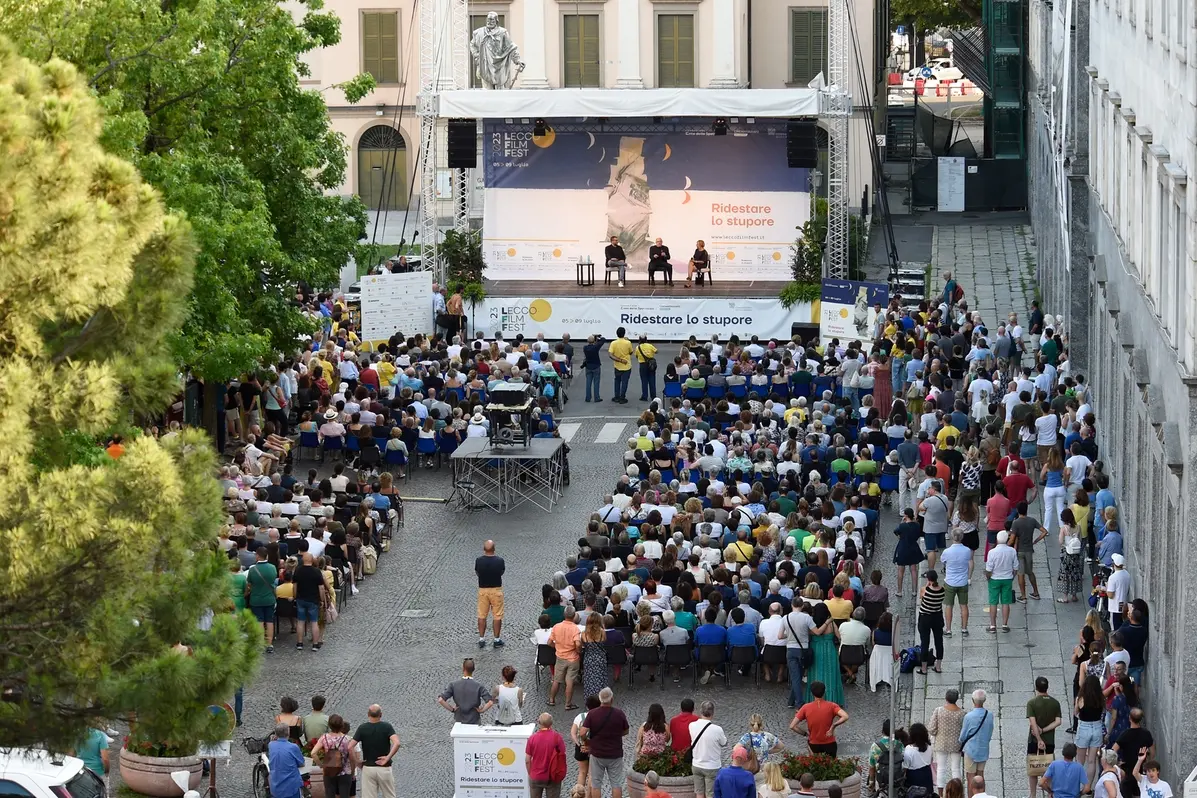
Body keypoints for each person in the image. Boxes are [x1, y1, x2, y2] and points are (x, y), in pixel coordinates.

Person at [580, 687, 630, 798]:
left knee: (596, 784)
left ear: (600, 699)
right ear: (612, 699)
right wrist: (616, 735)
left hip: (597, 753)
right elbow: (626, 730)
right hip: (615, 754)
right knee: (616, 784)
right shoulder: (619, 713)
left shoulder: (592, 714)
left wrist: (586, 741)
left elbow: (582, 732)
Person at [1027, 676, 1064, 798]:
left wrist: (1038, 739)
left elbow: (1032, 723)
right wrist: (1044, 730)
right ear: (1047, 687)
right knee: (1048, 769)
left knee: (1033, 767)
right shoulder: (1055, 703)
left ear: (1036, 687)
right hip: (1050, 741)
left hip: (1033, 740)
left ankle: (1033, 794)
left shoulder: (1032, 703)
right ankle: (1050, 793)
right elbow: (1058, 722)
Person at [790, 680, 848, 756]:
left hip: (814, 744)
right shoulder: (832, 706)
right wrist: (833, 726)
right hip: (830, 743)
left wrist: (805, 734)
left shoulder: (805, 707)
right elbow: (845, 716)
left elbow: (792, 726)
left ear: (812, 693)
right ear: (824, 692)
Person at [354, 705, 400, 798]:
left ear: (368, 714)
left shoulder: (362, 728)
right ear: (381, 715)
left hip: (368, 768)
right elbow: (397, 743)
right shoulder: (387, 727)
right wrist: (388, 757)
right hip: (384, 767)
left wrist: (356, 761)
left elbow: (350, 746)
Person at [311, 715, 361, 798]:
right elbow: (352, 758)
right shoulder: (348, 739)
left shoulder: (324, 738)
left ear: (329, 725)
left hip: (329, 771)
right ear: (341, 725)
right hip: (345, 772)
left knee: (329, 795)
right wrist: (352, 772)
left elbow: (313, 753)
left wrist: (321, 765)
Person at [928, 690, 965, 795]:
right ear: (957, 699)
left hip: (941, 743)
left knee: (941, 769)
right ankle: (958, 793)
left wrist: (936, 733)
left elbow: (931, 728)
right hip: (956, 744)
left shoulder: (939, 710)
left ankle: (940, 794)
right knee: (956, 768)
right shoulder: (962, 713)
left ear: (946, 698)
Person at [437, 658, 495, 724]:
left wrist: (452, 709)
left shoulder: (453, 685)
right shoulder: (479, 686)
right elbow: (490, 702)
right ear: (473, 669)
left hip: (459, 720)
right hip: (474, 720)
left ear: (463, 668)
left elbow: (441, 700)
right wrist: (481, 710)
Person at [1010, 502, 1048, 601]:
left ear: (1018, 511)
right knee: (1030, 572)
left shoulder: (1016, 523)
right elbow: (1044, 531)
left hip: (1020, 551)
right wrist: (1036, 540)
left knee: (1020, 573)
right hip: (1029, 550)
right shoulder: (1032, 520)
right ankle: (1036, 592)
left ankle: (1023, 596)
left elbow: (1012, 538)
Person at [690, 701, 728, 798]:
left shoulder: (691, 725)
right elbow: (724, 743)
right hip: (712, 766)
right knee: (711, 794)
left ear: (700, 711)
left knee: (699, 793)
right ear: (712, 713)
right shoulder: (717, 729)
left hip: (697, 765)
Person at [549, 605, 583, 709]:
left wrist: (557, 647)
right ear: (573, 616)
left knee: (557, 680)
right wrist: (579, 651)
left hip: (560, 657)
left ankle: (551, 700)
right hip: (572, 658)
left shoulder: (556, 627)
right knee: (570, 681)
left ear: (564, 615)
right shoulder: (575, 628)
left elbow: (549, 642)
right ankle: (568, 704)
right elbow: (577, 644)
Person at [291, 552, 327, 651]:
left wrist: (295, 597)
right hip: (313, 600)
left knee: (300, 621)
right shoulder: (316, 571)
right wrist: (322, 600)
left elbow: (294, 586)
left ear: (303, 560)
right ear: (312, 560)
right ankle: (315, 644)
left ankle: (299, 643)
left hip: (301, 599)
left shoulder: (298, 571)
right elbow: (321, 588)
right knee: (314, 622)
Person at [526, 713, 567, 798]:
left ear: (539, 722)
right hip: (552, 775)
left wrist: (531, 773)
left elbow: (527, 760)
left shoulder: (532, 738)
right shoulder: (557, 737)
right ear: (551, 723)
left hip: (536, 775)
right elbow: (562, 755)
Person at [984, 531, 1017, 633]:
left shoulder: (992, 552)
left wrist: (988, 578)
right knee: (1005, 602)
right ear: (1007, 539)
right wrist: (1012, 577)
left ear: (997, 540)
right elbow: (1015, 567)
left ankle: (993, 626)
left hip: (994, 579)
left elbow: (989, 569)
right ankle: (1004, 625)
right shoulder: (1012, 551)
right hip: (1007, 579)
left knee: (993, 603)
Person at [940, 531, 972, 636]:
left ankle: (948, 629)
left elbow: (943, 561)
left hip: (950, 582)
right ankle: (964, 629)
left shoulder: (947, 551)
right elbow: (969, 562)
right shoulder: (967, 551)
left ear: (952, 537)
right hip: (963, 582)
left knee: (949, 606)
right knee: (964, 606)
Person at [476, 540, 506, 648]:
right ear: (494, 549)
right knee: (497, 615)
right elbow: (502, 572)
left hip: (483, 590)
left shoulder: (479, 561)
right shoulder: (499, 561)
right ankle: (496, 639)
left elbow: (477, 572)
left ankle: (481, 639)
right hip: (496, 590)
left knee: (481, 615)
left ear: (484, 549)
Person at [959, 690, 994, 783]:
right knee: (981, 776)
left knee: (971, 778)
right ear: (985, 700)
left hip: (971, 750)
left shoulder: (969, 717)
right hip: (983, 749)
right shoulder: (989, 715)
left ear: (972, 700)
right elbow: (990, 732)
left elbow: (962, 737)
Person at [917, 570, 945, 674]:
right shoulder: (942, 590)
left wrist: (927, 584)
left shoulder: (925, 590)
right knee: (939, 641)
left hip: (925, 618)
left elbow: (921, 597)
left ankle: (924, 668)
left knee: (925, 642)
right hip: (937, 617)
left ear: (928, 579)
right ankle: (938, 666)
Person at [268, 722, 306, 798]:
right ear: (288, 733)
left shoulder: (271, 745)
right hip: (291, 787)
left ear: (276, 734)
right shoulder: (293, 747)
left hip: (276, 785)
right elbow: (301, 763)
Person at [893, 508, 925, 597]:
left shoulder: (903, 526)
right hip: (913, 547)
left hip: (903, 548)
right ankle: (914, 591)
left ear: (906, 515)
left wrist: (902, 522)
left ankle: (899, 591)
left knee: (900, 570)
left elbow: (896, 531)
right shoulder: (917, 525)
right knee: (913, 570)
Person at [903, 723, 934, 796]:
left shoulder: (909, 750)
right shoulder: (929, 747)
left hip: (913, 777)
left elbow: (905, 767)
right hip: (927, 774)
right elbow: (931, 760)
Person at [608, 327, 634, 404]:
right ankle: (622, 397)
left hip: (617, 365)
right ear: (624, 333)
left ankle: (616, 396)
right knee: (624, 382)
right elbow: (631, 352)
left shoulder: (613, 343)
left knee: (617, 381)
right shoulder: (628, 343)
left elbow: (610, 355)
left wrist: (619, 360)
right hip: (626, 365)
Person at [635, 334, 659, 402]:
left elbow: (636, 356)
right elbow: (656, 351)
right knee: (652, 379)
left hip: (642, 365)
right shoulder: (650, 345)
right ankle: (653, 395)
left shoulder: (638, 347)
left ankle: (644, 396)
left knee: (644, 380)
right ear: (646, 339)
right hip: (651, 364)